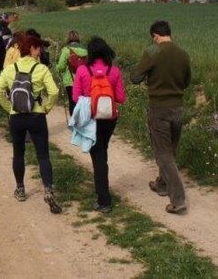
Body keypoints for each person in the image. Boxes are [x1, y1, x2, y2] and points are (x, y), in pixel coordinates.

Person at [0, 35, 62, 214]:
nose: (40, 51)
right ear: (32, 49)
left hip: (16, 117)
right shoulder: (41, 69)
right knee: (43, 155)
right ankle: (48, 189)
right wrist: (45, 107)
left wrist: (10, 108)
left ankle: (21, 189)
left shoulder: (9, 69)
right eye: (38, 48)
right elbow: (54, 91)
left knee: (18, 153)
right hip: (36, 116)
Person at [130, 20, 191, 214]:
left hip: (159, 109)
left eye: (153, 38)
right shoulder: (182, 53)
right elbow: (187, 81)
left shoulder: (152, 51)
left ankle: (178, 199)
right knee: (170, 150)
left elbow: (135, 77)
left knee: (163, 153)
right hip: (178, 108)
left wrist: (148, 74)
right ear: (169, 34)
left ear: (155, 35)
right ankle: (162, 184)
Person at [72, 36, 126, 213]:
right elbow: (120, 98)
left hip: (91, 119)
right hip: (109, 118)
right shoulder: (114, 71)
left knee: (98, 158)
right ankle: (102, 193)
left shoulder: (82, 70)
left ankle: (103, 200)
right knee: (102, 152)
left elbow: (75, 97)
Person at [56, 30, 88, 115]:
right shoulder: (85, 49)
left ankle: (74, 123)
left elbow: (61, 67)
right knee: (84, 101)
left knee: (72, 101)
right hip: (84, 80)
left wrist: (57, 67)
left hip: (70, 80)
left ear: (68, 38)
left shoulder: (66, 50)